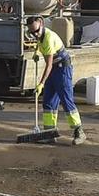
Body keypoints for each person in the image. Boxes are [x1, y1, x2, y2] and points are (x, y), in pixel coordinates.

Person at [29, 14, 84, 145]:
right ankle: (50, 133)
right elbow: (39, 43)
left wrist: (41, 83)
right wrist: (37, 51)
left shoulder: (48, 38)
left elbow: (48, 65)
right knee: (48, 102)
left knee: (66, 100)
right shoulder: (38, 35)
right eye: (32, 32)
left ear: (41, 25)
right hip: (54, 68)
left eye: (36, 31)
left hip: (62, 68)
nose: (35, 34)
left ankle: (79, 131)